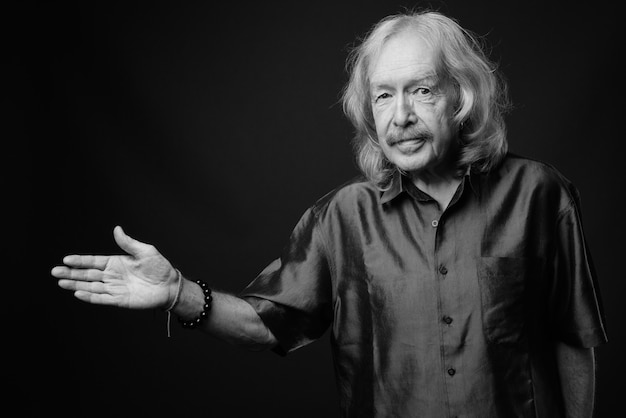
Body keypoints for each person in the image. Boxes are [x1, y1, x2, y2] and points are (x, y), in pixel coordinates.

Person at [52, 10, 607, 418]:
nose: (403, 115)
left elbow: (573, 339)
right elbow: (266, 323)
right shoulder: (342, 218)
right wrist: (177, 292)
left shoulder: (541, 194)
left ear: (460, 98)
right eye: (385, 96)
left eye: (421, 90)